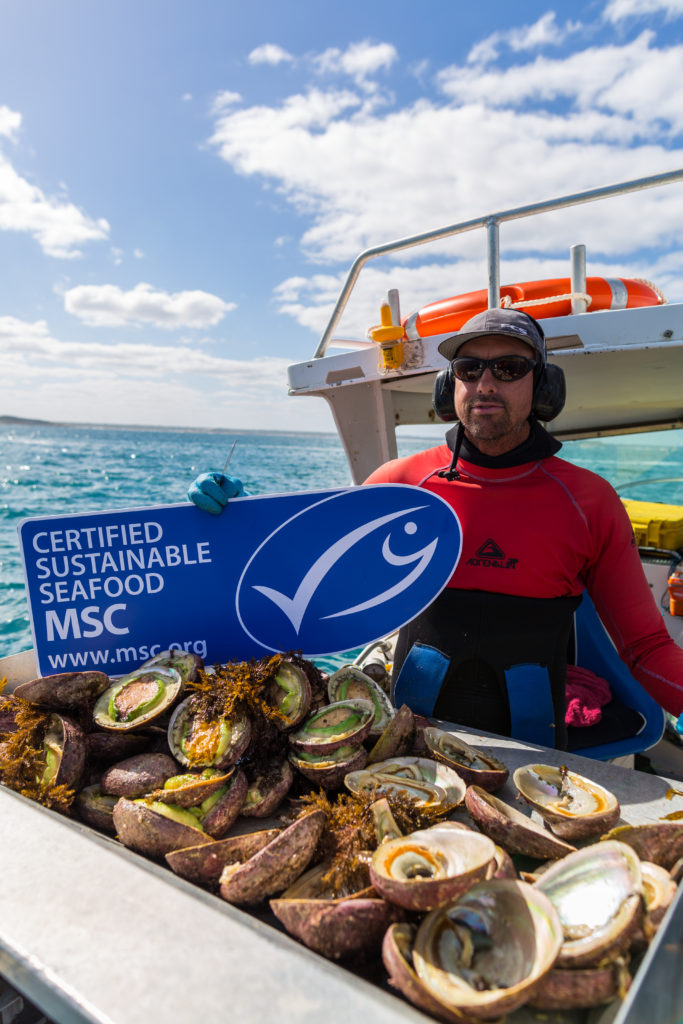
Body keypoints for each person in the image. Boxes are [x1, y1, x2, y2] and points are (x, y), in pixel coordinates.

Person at [189, 307, 683, 749]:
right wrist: (232, 521)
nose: (486, 384)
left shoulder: (588, 501)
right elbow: (299, 577)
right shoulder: (401, 483)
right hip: (405, 738)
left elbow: (643, 646)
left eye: (509, 368)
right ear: (451, 386)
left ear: (543, 387)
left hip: (536, 745)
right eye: (470, 369)